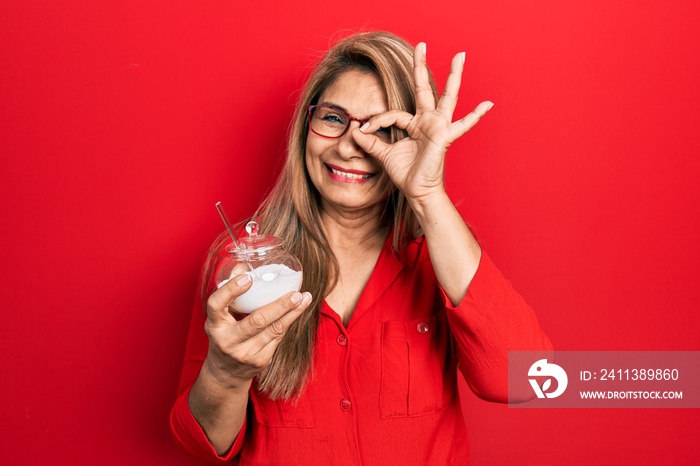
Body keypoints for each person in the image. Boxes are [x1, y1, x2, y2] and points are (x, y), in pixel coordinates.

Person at [170, 31, 553, 465]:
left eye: (383, 128)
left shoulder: (440, 255)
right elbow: (203, 443)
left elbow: (523, 379)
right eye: (334, 118)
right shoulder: (244, 266)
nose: (351, 147)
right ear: (305, 128)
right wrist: (226, 373)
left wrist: (428, 195)